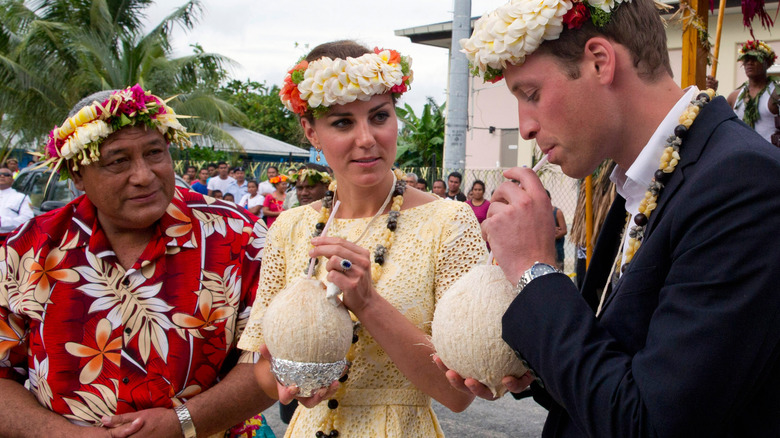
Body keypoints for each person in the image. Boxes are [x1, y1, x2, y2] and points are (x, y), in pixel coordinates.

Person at [442, 0, 780, 436]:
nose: (524, 127)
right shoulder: (643, 179)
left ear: (600, 62)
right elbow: (621, 363)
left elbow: (650, 423)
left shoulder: (742, 183)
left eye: (531, 95)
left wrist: (534, 271)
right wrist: (532, 361)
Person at [237, 40, 487, 438]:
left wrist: (368, 302)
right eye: (342, 123)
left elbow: (459, 394)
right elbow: (265, 366)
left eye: (379, 116)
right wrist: (291, 387)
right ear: (311, 132)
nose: (367, 138)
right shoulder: (289, 227)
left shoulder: (449, 222)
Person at [0, 85, 277, 437]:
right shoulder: (28, 248)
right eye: (118, 161)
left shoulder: (238, 236)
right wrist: (63, 434)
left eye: (155, 153)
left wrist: (184, 423)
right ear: (76, 173)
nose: (144, 175)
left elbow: (273, 357)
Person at [723, 40, 779, 143]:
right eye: (746, 60)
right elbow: (723, 124)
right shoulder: (734, 97)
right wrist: (712, 91)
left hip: (771, 155)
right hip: (743, 154)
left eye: (755, 59)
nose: (749, 63)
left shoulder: (776, 94)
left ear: (767, 64)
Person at [0, 164, 33, 233]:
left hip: (8, 239)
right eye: (0, 174)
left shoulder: (21, 197)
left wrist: (2, 222)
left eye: (6, 174)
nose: (2, 176)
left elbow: (27, 219)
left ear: (13, 180)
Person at [547, 190, 568, 271]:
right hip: (544, 252)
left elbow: (563, 231)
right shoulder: (538, 213)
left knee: (558, 272)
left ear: (550, 198)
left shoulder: (557, 212)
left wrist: (548, 236)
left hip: (557, 251)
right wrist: (551, 230)